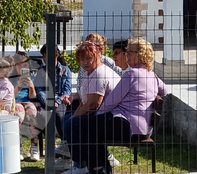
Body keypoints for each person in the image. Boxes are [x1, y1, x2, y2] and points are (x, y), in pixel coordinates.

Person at [71, 38, 166, 174]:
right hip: (145, 129)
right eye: (127, 52)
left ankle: (96, 169)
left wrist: (97, 115)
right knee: (93, 126)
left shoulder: (131, 74)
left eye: (130, 52)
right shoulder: (152, 75)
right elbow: (165, 91)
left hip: (128, 126)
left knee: (83, 125)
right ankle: (102, 168)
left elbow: (111, 102)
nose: (126, 55)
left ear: (140, 54)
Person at [61, 40, 120, 174]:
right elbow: (84, 101)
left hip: (111, 118)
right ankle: (81, 164)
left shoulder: (99, 73)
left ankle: (81, 165)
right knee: (68, 120)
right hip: (104, 115)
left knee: (73, 123)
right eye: (82, 59)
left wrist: (75, 117)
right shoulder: (90, 73)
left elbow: (94, 105)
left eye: (89, 58)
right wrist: (75, 115)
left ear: (98, 55)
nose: (85, 62)